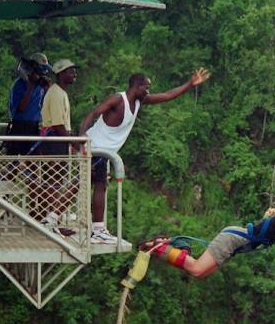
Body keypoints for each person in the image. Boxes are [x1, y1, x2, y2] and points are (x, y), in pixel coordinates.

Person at [79, 68, 211, 245]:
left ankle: (89, 227)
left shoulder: (140, 101)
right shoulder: (118, 99)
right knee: (92, 186)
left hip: (103, 151)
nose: (148, 91)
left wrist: (190, 83)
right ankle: (93, 229)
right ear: (137, 86)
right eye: (146, 87)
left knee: (95, 185)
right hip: (95, 147)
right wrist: (82, 137)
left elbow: (167, 95)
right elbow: (94, 113)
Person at [133, 199, 275, 283]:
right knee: (198, 270)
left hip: (234, 240)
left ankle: (167, 247)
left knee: (199, 272)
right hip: (232, 239)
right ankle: (161, 245)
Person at [38, 58, 80, 234]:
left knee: (55, 181)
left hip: (57, 140)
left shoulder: (59, 92)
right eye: (70, 71)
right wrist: (73, 142)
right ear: (62, 74)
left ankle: (51, 219)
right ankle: (52, 221)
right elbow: (57, 124)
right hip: (54, 140)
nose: (74, 74)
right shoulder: (56, 94)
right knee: (54, 181)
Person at [4, 52, 52, 155]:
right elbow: (21, 108)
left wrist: (48, 88)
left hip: (34, 127)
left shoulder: (40, 85)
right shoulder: (19, 84)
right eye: (42, 68)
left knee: (33, 160)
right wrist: (30, 87)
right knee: (13, 161)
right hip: (19, 126)